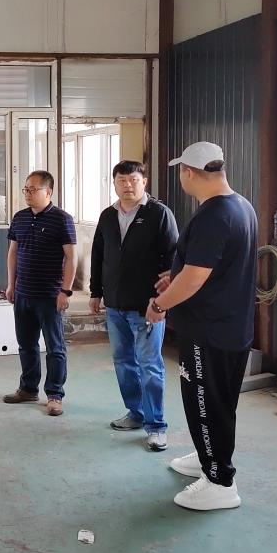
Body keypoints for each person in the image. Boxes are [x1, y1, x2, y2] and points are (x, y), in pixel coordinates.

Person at [145, 142, 257, 511]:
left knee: (206, 403)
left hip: (208, 332)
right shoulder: (241, 206)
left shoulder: (213, 216)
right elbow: (211, 267)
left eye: (181, 172)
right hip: (231, 327)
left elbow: (194, 278)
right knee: (218, 402)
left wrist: (160, 304)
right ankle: (208, 456)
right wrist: (174, 275)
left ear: (189, 173)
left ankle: (220, 482)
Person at [90, 161, 178, 452]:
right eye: (122, 180)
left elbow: (173, 257)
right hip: (115, 305)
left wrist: (163, 299)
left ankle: (156, 426)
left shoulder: (158, 213)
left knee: (150, 365)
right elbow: (98, 255)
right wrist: (96, 292)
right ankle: (136, 413)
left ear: (144, 181)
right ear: (114, 183)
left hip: (147, 306)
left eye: (133, 179)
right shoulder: (107, 215)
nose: (127, 185)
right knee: (123, 362)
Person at [3, 170, 77, 416]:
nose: (28, 194)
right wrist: (11, 284)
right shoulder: (20, 218)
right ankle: (28, 389)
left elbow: (71, 257)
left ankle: (55, 395)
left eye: (33, 189)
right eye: (26, 189)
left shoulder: (62, 219)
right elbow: (13, 252)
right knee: (26, 345)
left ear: (49, 192)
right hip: (23, 293)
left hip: (50, 295)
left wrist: (65, 291)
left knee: (55, 347)